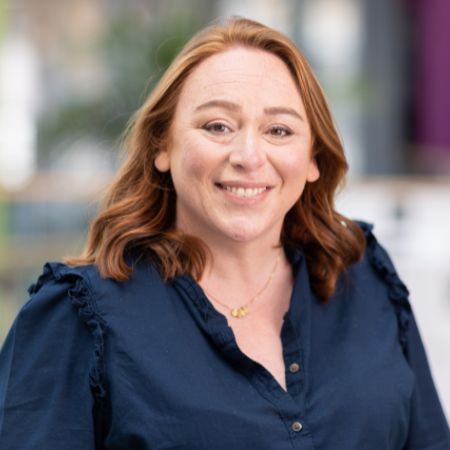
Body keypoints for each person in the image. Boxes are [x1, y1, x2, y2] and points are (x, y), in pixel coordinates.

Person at [0, 17, 448, 450]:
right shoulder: (75, 317)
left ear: (312, 158)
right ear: (162, 146)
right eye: (217, 126)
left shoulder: (365, 275)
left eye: (279, 130)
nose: (249, 155)